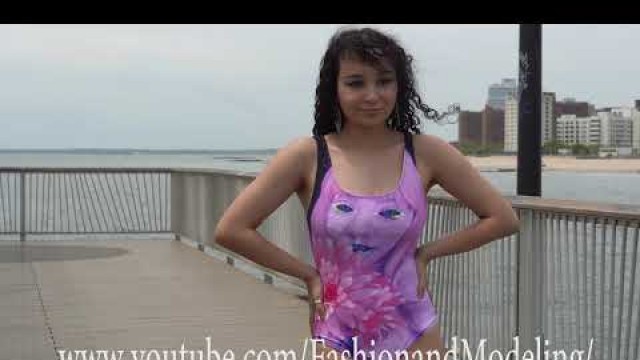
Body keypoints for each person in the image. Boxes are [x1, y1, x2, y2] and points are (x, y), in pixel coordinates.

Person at [214, 27, 520, 359]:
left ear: (399, 87)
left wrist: (426, 253)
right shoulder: (308, 156)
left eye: (384, 81)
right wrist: (308, 276)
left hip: (413, 328)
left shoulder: (426, 153)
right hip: (336, 329)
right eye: (355, 83)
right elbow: (231, 230)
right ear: (335, 89)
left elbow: (503, 218)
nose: (372, 95)